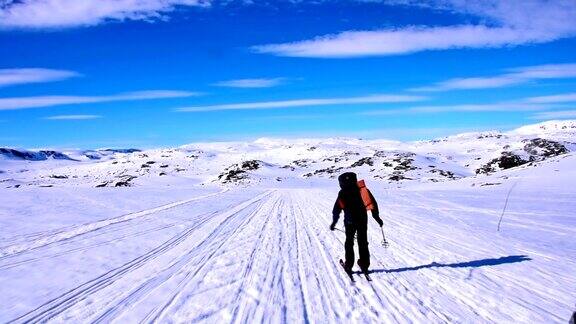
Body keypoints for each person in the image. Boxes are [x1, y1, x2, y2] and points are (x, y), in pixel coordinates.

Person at [330, 172, 383, 274]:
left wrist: (334, 222)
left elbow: (337, 209)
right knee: (363, 241)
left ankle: (349, 265)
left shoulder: (342, 193)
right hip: (362, 220)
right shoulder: (363, 190)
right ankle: (364, 265)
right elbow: (373, 204)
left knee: (349, 242)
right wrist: (377, 218)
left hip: (349, 221)